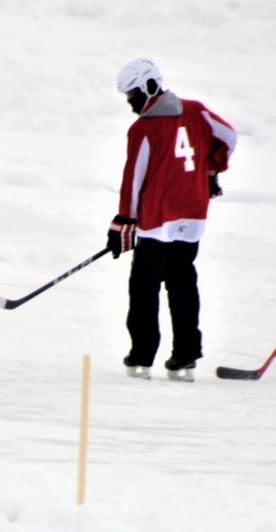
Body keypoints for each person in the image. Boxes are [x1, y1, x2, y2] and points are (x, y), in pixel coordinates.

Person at [109, 58, 237, 382]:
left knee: (144, 289)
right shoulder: (196, 111)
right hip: (192, 217)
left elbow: (133, 180)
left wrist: (124, 221)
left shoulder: (143, 129)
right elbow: (229, 137)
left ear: (150, 86)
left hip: (156, 221)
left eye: (133, 94)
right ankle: (185, 358)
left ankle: (141, 358)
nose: (130, 102)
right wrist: (211, 171)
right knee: (182, 286)